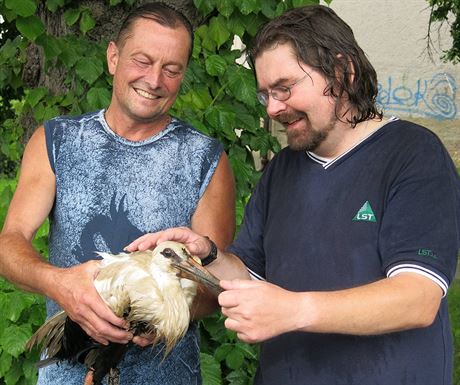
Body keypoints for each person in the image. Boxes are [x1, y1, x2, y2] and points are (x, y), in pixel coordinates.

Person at [126, 4, 460, 385]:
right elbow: (249, 277)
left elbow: (417, 299)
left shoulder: (413, 154)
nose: (273, 108)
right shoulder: (283, 169)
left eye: (284, 89)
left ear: (342, 72)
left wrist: (294, 309)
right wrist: (208, 254)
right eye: (265, 94)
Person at [0, 2, 235, 385]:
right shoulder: (56, 141)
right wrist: (60, 285)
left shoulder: (206, 159)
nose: (155, 79)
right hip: (65, 374)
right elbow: (9, 246)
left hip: (168, 376)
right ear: (113, 57)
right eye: (142, 60)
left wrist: (153, 321)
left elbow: (213, 284)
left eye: (171, 69)